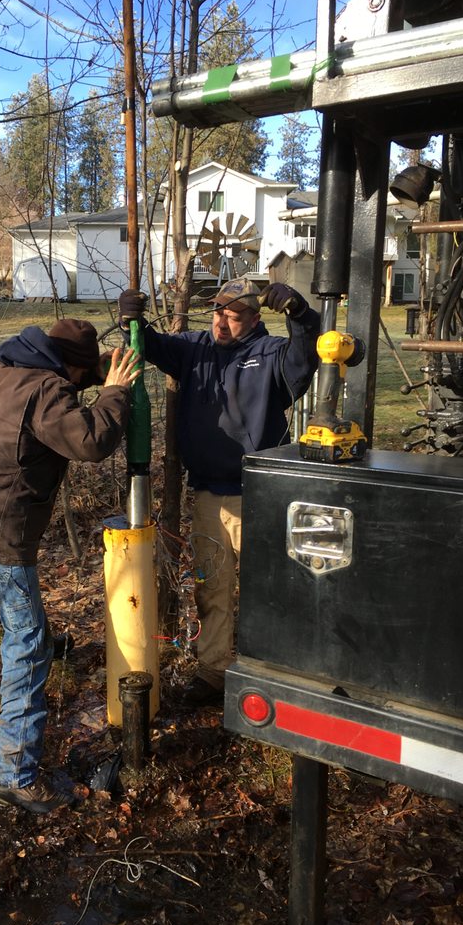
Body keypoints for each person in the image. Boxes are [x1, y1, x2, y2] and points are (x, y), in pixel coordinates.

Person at [0, 318, 139, 814]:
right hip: (3, 530)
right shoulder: (45, 389)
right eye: (83, 375)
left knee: (24, 624)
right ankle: (11, 775)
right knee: (28, 646)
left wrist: (92, 377)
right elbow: (91, 441)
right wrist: (116, 392)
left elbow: (59, 401)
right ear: (73, 367)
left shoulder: (11, 365)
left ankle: (32, 637)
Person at [118, 278, 320, 707]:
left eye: (232, 316)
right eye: (217, 313)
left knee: (269, 588)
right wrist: (130, 318)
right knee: (211, 589)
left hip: (260, 497)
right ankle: (214, 672)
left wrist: (301, 314)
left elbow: (306, 359)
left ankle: (276, 671)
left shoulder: (271, 355)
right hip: (208, 495)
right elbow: (150, 345)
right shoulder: (196, 349)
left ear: (253, 318)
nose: (221, 323)